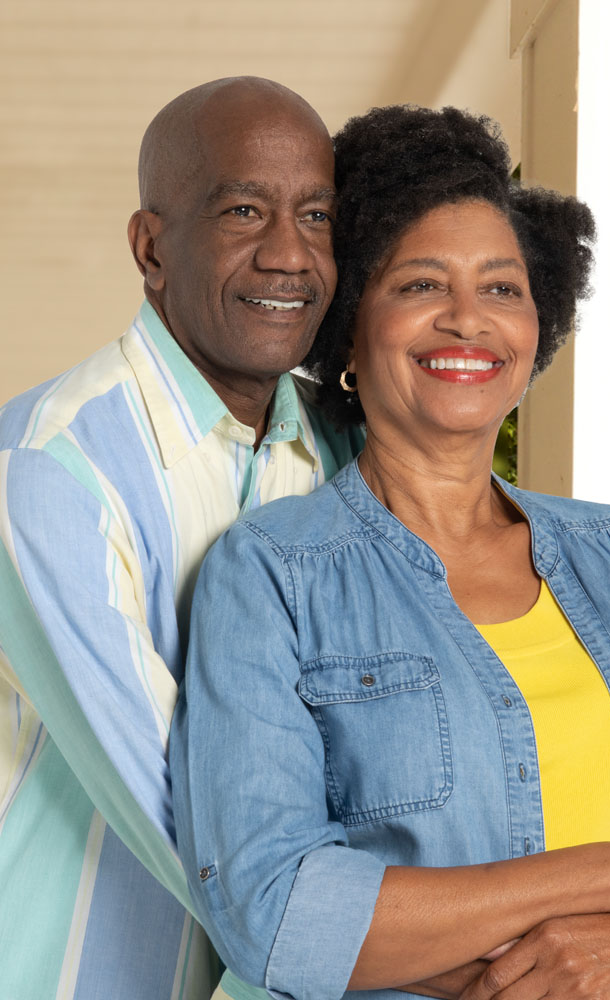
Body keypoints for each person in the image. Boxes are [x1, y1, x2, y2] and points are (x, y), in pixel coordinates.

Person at [171, 106, 610, 1000]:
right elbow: (276, 912)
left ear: (540, 326)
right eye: (421, 286)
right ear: (349, 331)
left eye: (502, 289)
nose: (468, 321)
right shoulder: (271, 575)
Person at [0, 77, 362, 1000]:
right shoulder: (48, 471)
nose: (290, 255)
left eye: (316, 215)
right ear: (151, 246)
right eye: (245, 209)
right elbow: (192, 807)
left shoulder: (345, 450)